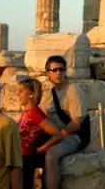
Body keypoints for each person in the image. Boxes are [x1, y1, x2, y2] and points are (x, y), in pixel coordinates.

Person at [40, 56, 90, 189]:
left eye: (61, 69)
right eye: (54, 70)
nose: (58, 73)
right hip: (56, 135)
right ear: (48, 73)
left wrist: (57, 137)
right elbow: (41, 118)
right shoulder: (49, 94)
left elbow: (76, 123)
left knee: (51, 155)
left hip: (74, 135)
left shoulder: (74, 90)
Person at [17, 78, 63, 189]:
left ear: (32, 93)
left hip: (26, 160)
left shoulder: (35, 112)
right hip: (20, 159)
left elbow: (57, 134)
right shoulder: (27, 112)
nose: (17, 94)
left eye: (21, 91)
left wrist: (42, 149)